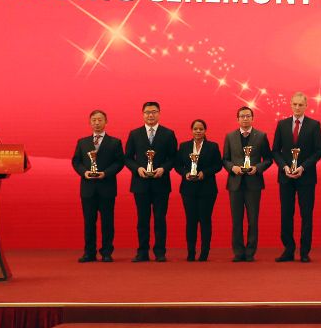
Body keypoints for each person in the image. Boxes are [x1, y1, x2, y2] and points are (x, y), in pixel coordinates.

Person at [123, 101, 178, 262]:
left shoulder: (168, 134)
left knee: (160, 218)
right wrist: (137, 169)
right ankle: (142, 252)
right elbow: (127, 158)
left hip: (161, 183)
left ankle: (160, 252)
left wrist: (163, 169)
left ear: (159, 113)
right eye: (147, 112)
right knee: (142, 219)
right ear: (143, 114)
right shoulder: (135, 134)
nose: (150, 115)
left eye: (154, 112)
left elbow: (173, 158)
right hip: (140, 183)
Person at [272, 92, 321, 263]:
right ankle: (288, 249)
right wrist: (284, 167)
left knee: (306, 215)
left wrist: (303, 167)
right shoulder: (282, 124)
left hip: (306, 177)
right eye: (295, 104)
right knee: (286, 214)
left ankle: (304, 251)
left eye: (300, 104)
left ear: (306, 106)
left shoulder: (314, 125)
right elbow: (275, 151)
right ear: (290, 104)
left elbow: (318, 151)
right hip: (286, 177)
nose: (297, 107)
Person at [71, 109, 124, 262]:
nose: (97, 123)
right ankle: (89, 252)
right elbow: (76, 161)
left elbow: (119, 162)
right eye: (94, 120)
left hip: (107, 187)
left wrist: (105, 173)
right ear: (90, 122)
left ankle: (106, 252)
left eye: (100, 120)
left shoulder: (115, 142)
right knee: (89, 222)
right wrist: (84, 172)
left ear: (106, 122)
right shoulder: (82, 142)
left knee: (107, 222)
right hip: (88, 188)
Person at [221, 106, 272, 262]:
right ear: (237, 119)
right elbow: (225, 159)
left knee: (253, 220)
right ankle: (238, 252)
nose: (245, 118)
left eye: (248, 116)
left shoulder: (261, 136)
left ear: (252, 118)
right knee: (236, 220)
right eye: (242, 116)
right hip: (235, 184)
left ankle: (250, 252)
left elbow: (268, 159)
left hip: (253, 183)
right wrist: (232, 168)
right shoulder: (230, 136)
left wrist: (257, 168)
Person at [175, 119, 223, 261]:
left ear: (205, 130)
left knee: (205, 220)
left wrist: (204, 173)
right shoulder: (184, 146)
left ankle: (204, 252)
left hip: (207, 189)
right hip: (188, 189)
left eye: (201, 129)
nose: (198, 131)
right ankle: (191, 252)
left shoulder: (212, 146)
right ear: (191, 130)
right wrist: (185, 173)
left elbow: (218, 165)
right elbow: (177, 165)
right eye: (195, 129)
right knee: (191, 221)